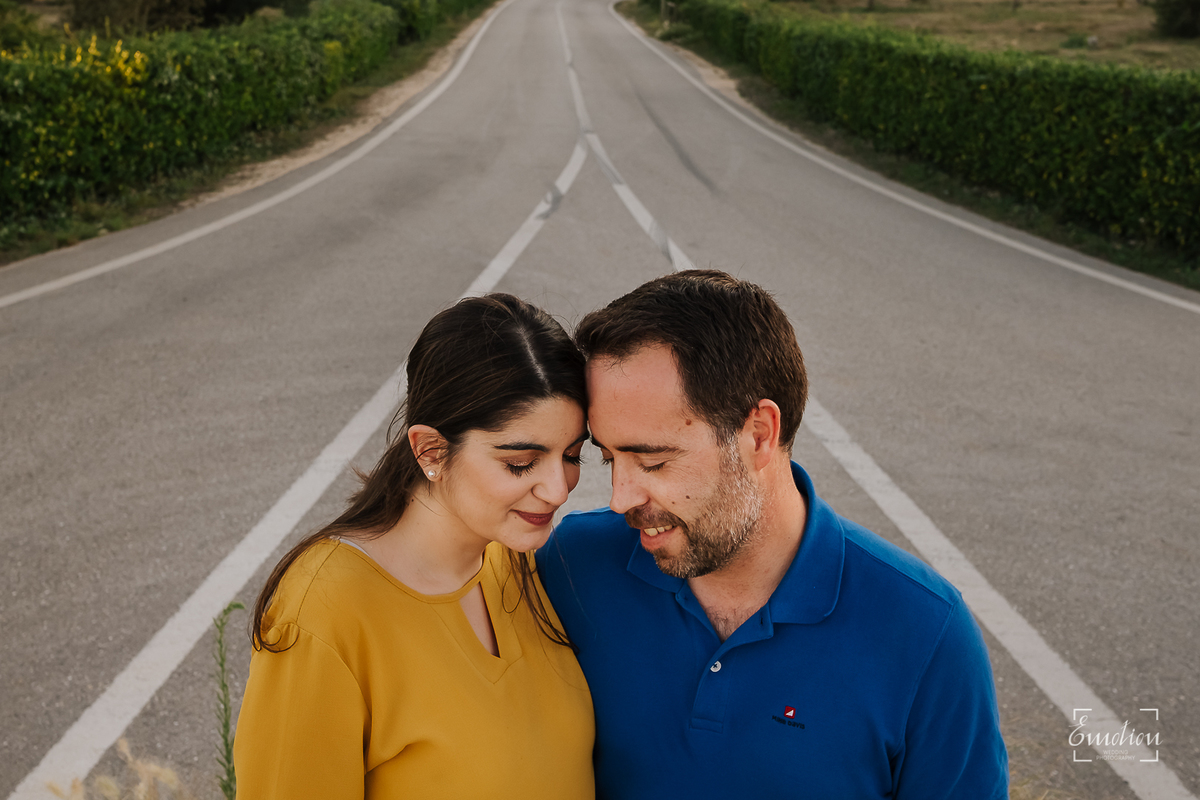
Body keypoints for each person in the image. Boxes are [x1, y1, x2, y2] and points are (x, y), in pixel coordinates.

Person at [538, 270, 1008, 799]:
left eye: (654, 461)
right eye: (609, 457)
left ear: (759, 434)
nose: (620, 497)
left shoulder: (926, 633)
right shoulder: (572, 566)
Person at [234, 294, 595, 800]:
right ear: (429, 449)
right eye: (520, 463)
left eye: (574, 455)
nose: (558, 489)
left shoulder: (509, 556)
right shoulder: (324, 610)